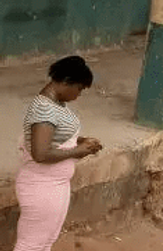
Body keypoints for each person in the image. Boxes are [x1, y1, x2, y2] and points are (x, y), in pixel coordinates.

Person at [14, 56, 103, 251]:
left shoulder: (55, 105)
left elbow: (53, 138)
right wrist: (76, 151)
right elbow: (40, 154)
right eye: (79, 89)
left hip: (53, 185)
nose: (78, 95)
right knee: (31, 244)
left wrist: (79, 142)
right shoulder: (44, 109)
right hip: (41, 186)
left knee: (46, 240)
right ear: (66, 81)